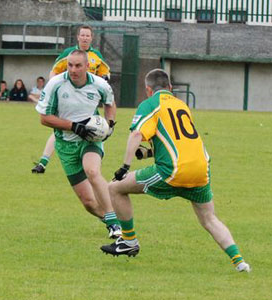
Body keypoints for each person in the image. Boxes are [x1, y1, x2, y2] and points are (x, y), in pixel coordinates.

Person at [100, 69, 251, 273]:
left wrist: (125, 167)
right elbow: (178, 141)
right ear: (170, 88)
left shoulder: (151, 104)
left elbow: (136, 135)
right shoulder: (182, 105)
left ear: (148, 90)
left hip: (172, 171)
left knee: (115, 187)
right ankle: (240, 262)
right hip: (201, 169)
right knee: (209, 219)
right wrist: (147, 155)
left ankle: (128, 241)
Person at [35, 50, 120, 238]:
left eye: (78, 65)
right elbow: (44, 118)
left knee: (92, 171)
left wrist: (110, 124)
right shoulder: (55, 85)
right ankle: (114, 220)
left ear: (87, 67)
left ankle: (115, 225)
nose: (73, 69)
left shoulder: (100, 84)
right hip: (65, 144)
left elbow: (110, 103)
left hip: (89, 139)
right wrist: (73, 126)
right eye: (70, 65)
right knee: (89, 203)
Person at [32, 25, 111, 174]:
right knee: (62, 128)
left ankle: (90, 165)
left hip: (88, 102)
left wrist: (103, 81)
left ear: (91, 38)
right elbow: (54, 71)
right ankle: (44, 161)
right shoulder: (69, 54)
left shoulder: (97, 56)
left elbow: (106, 74)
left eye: (88, 35)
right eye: (83, 35)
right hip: (67, 100)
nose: (85, 38)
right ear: (78, 37)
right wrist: (53, 89)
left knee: (93, 129)